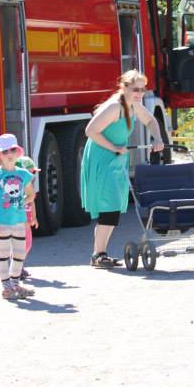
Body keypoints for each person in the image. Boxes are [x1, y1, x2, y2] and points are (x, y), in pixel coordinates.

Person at [80, 70, 164, 268]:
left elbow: (151, 120)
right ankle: (98, 255)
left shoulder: (133, 105)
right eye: (136, 89)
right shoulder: (114, 107)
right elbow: (90, 131)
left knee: (114, 205)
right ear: (124, 88)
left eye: (142, 90)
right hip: (103, 158)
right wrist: (114, 148)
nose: (140, 94)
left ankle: (99, 254)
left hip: (116, 158)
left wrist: (158, 138)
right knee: (109, 206)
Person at [0, 133, 38, 299]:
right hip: (1, 223)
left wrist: (22, 202)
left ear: (18, 153)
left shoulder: (24, 174)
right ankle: (7, 287)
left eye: (12, 150)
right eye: (5, 151)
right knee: (2, 256)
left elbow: (31, 194)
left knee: (19, 255)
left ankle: (15, 285)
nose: (9, 154)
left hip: (19, 222)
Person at [14, 153, 40, 280]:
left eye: (33, 173)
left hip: (27, 222)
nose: (33, 176)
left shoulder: (29, 188)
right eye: (31, 173)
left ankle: (20, 266)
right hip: (18, 222)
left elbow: (32, 202)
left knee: (27, 245)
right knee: (18, 245)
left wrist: (34, 217)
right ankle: (16, 268)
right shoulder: (15, 188)